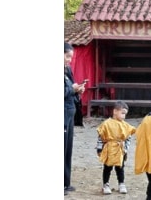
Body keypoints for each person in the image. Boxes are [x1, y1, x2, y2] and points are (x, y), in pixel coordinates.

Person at [96, 101, 136, 195]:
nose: (124, 116)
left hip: (120, 150)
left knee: (120, 168)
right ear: (115, 111)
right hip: (109, 149)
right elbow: (101, 136)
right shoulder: (106, 124)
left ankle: (121, 183)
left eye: (125, 114)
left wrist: (125, 148)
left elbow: (128, 137)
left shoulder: (126, 125)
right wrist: (99, 148)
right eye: (122, 113)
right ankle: (106, 184)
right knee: (107, 168)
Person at [64, 42, 85, 195]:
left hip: (70, 112)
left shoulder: (67, 70)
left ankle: (65, 182)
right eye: (67, 56)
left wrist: (78, 90)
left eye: (70, 57)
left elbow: (70, 89)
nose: (69, 60)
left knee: (67, 149)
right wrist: (72, 89)